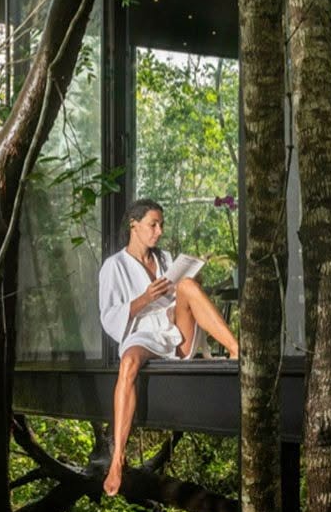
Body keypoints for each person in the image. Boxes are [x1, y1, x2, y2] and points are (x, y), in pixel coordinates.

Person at [98, 198, 239, 496]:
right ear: (134, 226)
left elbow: (181, 300)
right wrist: (146, 298)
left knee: (188, 286)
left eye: (161, 224)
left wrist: (192, 281)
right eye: (153, 225)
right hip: (143, 334)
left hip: (176, 332)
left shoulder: (164, 259)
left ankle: (236, 350)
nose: (159, 231)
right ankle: (117, 458)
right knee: (128, 364)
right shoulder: (114, 266)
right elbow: (110, 318)